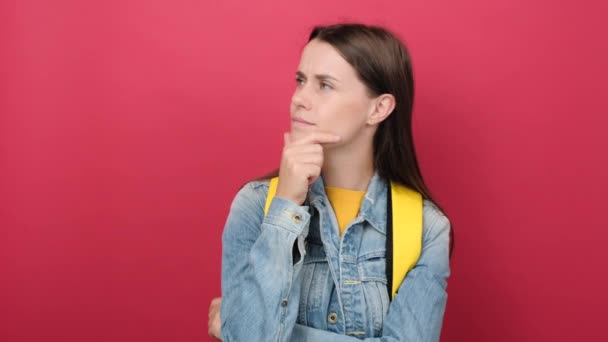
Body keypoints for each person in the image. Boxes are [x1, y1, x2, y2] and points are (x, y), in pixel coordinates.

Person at [208, 22, 453, 341]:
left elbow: (242, 335)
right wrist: (285, 211)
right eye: (300, 81)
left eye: (324, 85)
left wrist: (243, 328)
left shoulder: (427, 228)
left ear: (378, 108)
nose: (299, 99)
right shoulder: (255, 206)